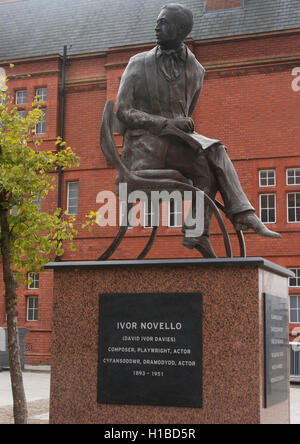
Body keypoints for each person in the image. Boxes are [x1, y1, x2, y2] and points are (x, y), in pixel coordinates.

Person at [116, 3, 280, 258]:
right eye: (157, 21)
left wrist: (177, 124)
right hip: (143, 146)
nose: (156, 27)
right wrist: (164, 123)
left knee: (209, 164)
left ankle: (199, 232)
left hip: (174, 145)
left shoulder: (196, 70)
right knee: (215, 152)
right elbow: (122, 111)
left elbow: (186, 112)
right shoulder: (137, 64)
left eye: (164, 23)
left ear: (181, 30)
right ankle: (238, 217)